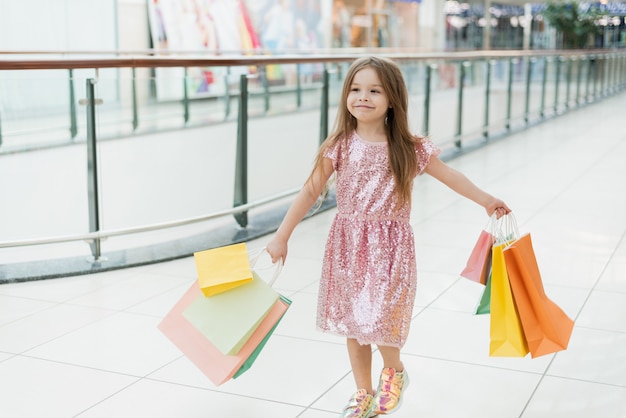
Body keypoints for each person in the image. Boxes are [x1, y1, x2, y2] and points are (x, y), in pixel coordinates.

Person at [266, 56, 510, 418]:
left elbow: (451, 176)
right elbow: (309, 192)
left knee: (381, 317)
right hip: (348, 245)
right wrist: (281, 236)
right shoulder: (340, 145)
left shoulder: (408, 147)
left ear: (392, 99)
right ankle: (362, 392)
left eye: (374, 90)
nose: (362, 97)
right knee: (354, 321)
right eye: (355, 89)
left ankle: (394, 371)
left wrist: (486, 200)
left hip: (391, 248)